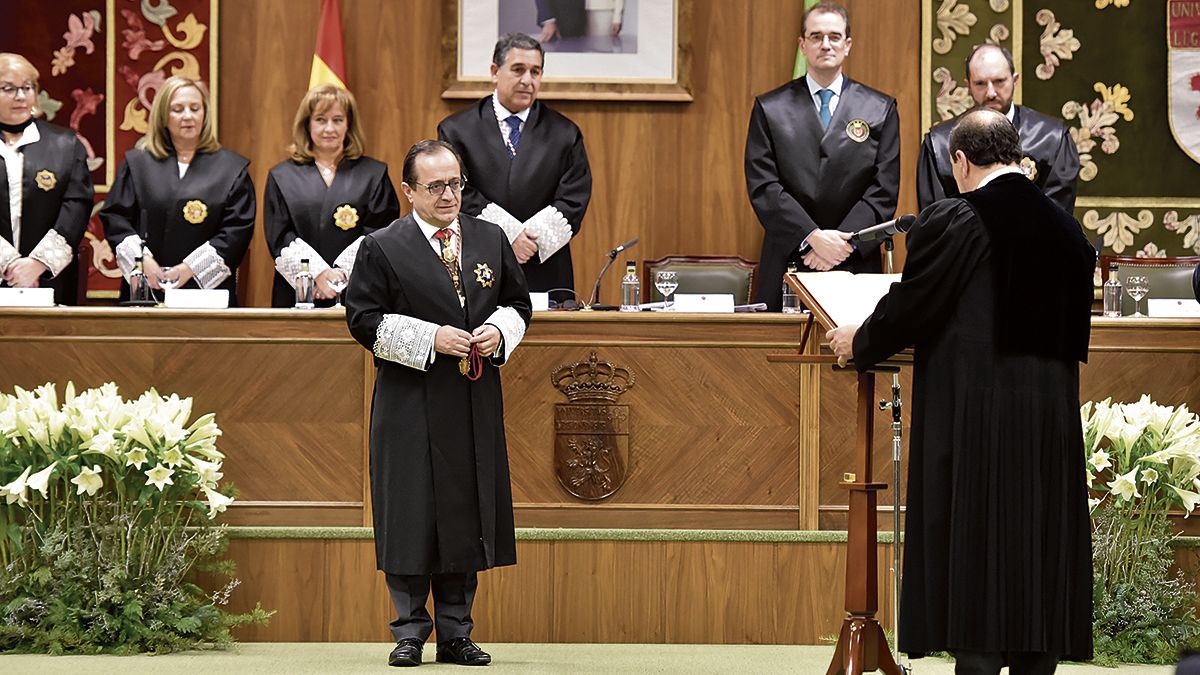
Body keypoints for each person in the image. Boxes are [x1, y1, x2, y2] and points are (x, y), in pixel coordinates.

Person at [827, 109, 1094, 674]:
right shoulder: (1068, 231)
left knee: (978, 541)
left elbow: (915, 305)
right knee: (1035, 544)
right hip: (1050, 422)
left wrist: (861, 339)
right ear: (1015, 154)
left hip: (976, 415)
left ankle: (977, 660)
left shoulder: (960, 218)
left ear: (960, 161)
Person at [344, 140, 531, 668]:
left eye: (456, 183)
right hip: (409, 401)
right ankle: (409, 632)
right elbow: (362, 318)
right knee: (410, 512)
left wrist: (498, 329)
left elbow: (518, 303)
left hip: (471, 398)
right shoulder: (382, 246)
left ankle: (456, 632)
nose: (450, 195)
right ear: (409, 192)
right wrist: (430, 339)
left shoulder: (490, 239)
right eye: (436, 186)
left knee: (463, 509)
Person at [745, 1, 900, 311]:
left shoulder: (880, 108)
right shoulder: (770, 108)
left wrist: (842, 243)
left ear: (848, 45)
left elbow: (883, 190)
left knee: (851, 357)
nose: (825, 44)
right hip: (791, 257)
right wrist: (810, 237)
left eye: (834, 36)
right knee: (785, 357)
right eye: (816, 36)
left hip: (854, 260)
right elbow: (764, 186)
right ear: (803, 45)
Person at [438, 32, 591, 305]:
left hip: (545, 263)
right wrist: (509, 237)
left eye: (536, 72)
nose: (527, 80)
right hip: (480, 261)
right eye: (518, 70)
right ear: (495, 71)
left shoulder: (565, 132)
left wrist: (530, 241)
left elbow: (574, 198)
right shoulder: (456, 130)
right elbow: (456, 191)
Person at [100, 76, 255, 303]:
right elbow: (115, 218)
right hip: (147, 286)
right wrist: (142, 262)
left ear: (205, 114)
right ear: (164, 116)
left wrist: (189, 269)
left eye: (195, 108)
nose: (188, 116)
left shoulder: (231, 169)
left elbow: (236, 231)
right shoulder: (138, 164)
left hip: (206, 296)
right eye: (177, 109)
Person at [263, 85, 400, 308]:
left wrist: (339, 277)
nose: (329, 128)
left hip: (358, 293)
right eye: (320, 119)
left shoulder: (374, 174)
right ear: (307, 124)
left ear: (349, 125)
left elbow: (380, 233)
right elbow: (279, 236)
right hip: (299, 290)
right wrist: (318, 274)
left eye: (337, 120)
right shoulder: (282, 176)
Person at [917, 44, 1079, 213]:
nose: (991, 93)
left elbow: (1057, 218)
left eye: (999, 81)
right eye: (980, 84)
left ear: (1015, 80)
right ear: (968, 86)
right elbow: (935, 220)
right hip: (962, 238)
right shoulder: (939, 143)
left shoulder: (1052, 138)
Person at [0, 53, 94, 305]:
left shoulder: (65, 144)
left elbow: (76, 206)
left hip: (49, 278)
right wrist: (9, 264)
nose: (21, 96)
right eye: (8, 88)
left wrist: (36, 265)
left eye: (27, 87)